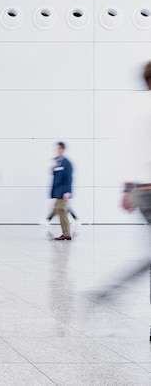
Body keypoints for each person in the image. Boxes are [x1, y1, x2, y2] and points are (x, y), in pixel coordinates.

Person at [93, 61, 151, 340]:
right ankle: (111, 290)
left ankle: (111, 290)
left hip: (141, 190)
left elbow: (128, 150)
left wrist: (127, 189)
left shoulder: (132, 108)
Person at [49, 142, 74, 241]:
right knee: (59, 210)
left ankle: (66, 233)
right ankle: (66, 233)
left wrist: (67, 192)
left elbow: (68, 178)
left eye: (58, 149)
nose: (56, 151)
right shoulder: (58, 162)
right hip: (58, 192)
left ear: (62, 149)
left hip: (63, 192)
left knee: (62, 211)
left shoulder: (66, 162)